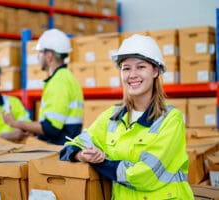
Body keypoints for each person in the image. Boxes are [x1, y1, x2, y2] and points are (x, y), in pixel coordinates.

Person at [60, 34, 194, 199]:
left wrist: (101, 162)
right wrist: (81, 155)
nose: (132, 75)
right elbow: (69, 147)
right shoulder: (112, 117)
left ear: (155, 71)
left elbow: (145, 175)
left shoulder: (170, 119)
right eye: (126, 68)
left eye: (140, 67)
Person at [1, 28, 84, 145]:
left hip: (57, 151)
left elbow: (51, 129)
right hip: (63, 147)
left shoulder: (59, 82)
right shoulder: (66, 77)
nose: (38, 57)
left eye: (39, 52)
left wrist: (15, 123)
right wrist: (32, 130)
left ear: (49, 56)